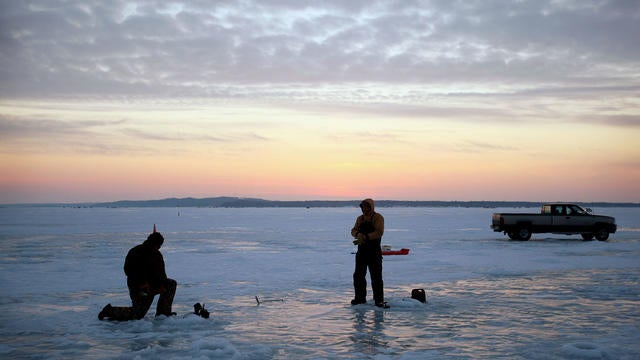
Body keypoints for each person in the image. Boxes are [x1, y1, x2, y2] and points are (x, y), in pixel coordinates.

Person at [98, 229, 177, 320]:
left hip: (153, 286)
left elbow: (161, 273)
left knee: (171, 284)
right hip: (139, 288)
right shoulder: (136, 252)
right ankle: (109, 311)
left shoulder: (157, 255)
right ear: (153, 243)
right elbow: (128, 271)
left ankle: (163, 314)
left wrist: (161, 285)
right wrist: (142, 283)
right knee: (138, 314)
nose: (159, 248)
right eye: (158, 245)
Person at [350, 198, 387, 308]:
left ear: (371, 207)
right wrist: (357, 234)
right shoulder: (360, 219)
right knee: (358, 276)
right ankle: (360, 298)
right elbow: (353, 230)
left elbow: (379, 232)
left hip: (374, 252)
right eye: (363, 207)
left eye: (366, 207)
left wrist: (367, 236)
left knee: (376, 277)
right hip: (361, 252)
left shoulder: (378, 217)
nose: (364, 209)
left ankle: (379, 300)